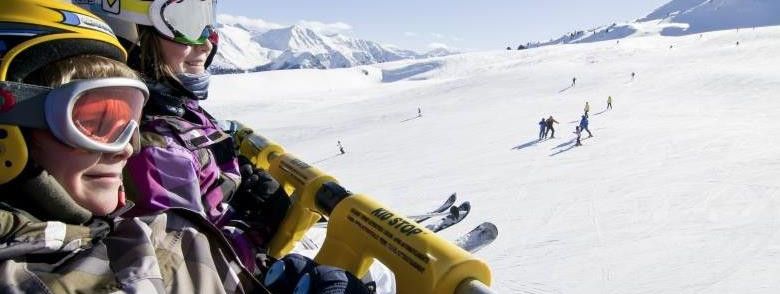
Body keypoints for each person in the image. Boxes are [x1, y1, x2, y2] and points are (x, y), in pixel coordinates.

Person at [79, 1, 371, 292]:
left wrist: (232, 178)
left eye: (207, 20)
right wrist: (257, 226)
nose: (207, 43)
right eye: (188, 22)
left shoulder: (179, 109)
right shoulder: (155, 148)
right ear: (132, 34)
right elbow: (186, 268)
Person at [0, 1, 264, 292]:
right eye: (94, 119)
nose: (127, 149)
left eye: (131, 120)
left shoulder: (122, 238)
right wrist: (258, 238)